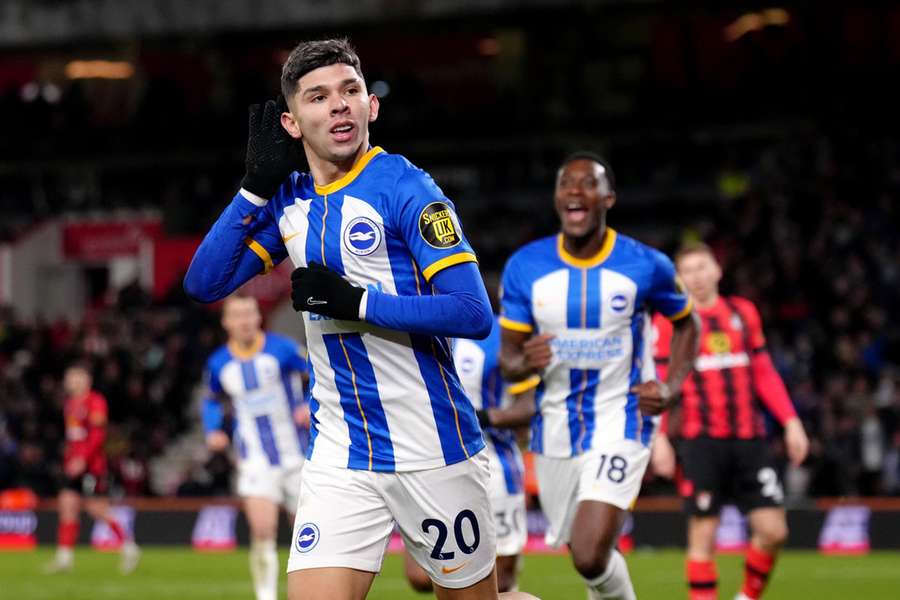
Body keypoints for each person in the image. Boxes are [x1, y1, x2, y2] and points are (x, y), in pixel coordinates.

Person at [183, 38, 538, 600]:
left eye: (350, 91)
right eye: (318, 97)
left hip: (432, 447)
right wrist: (253, 189)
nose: (338, 105)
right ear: (292, 122)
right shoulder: (291, 200)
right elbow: (204, 283)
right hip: (341, 450)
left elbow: (473, 313)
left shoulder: (407, 188)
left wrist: (358, 304)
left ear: (372, 106)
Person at [499, 153, 700, 600]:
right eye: (565, 184)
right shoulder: (525, 268)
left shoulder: (646, 265)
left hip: (622, 417)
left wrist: (671, 386)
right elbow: (509, 360)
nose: (574, 191)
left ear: (607, 197)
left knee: (589, 553)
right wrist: (525, 361)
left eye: (587, 183)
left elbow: (688, 323)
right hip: (553, 429)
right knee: (589, 557)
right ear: (556, 199)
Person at [651, 241, 809, 600]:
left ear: (717, 270)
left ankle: (746, 597)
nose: (698, 277)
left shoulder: (743, 312)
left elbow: (764, 371)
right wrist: (659, 437)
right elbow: (661, 382)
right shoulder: (669, 324)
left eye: (702, 267)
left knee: (774, 531)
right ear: (680, 279)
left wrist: (791, 421)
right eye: (688, 271)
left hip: (750, 441)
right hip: (700, 443)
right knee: (703, 536)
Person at [404, 313, 536, 594]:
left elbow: (531, 405)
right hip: (430, 463)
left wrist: (479, 417)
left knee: (498, 580)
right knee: (419, 576)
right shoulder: (416, 323)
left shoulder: (503, 335)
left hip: (496, 465)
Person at [202, 294, 310, 600]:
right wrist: (213, 430)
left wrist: (308, 405)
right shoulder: (219, 363)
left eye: (249, 314)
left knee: (307, 532)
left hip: (297, 455)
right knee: (262, 531)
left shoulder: (283, 349)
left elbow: (319, 374)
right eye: (237, 316)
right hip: (254, 459)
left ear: (258, 317)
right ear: (226, 322)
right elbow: (211, 400)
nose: (244, 321)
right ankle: (266, 597)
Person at [45, 362, 141, 574]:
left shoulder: (95, 402)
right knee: (67, 505)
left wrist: (83, 459)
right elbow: (74, 437)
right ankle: (64, 558)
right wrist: (70, 458)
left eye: (75, 377)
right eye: (69, 378)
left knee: (97, 509)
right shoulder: (70, 403)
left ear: (86, 380)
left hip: (92, 466)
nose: (71, 381)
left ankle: (129, 547)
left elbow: (98, 435)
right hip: (74, 465)